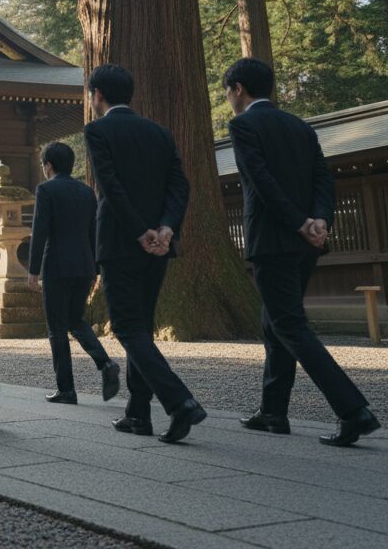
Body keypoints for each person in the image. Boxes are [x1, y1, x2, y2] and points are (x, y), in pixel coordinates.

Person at [223, 58, 379, 446]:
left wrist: (297, 221)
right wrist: (319, 221)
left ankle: (353, 411)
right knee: (274, 322)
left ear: (238, 88)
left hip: (273, 242)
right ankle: (273, 411)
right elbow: (323, 178)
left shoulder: (243, 126)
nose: (228, 98)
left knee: (289, 325)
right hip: (306, 244)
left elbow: (260, 181)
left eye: (227, 91)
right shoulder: (300, 126)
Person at [84, 63, 205, 444]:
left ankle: (179, 401)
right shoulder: (159, 132)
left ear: (98, 95)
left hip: (122, 242)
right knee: (142, 326)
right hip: (159, 243)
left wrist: (140, 232)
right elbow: (178, 185)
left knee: (126, 327)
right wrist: (166, 227)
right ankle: (137, 413)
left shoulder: (97, 130)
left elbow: (110, 186)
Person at [27, 142, 121, 404]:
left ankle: (66, 389)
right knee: (76, 320)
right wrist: (96, 268)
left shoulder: (45, 190)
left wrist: (33, 270)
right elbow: (95, 232)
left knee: (56, 327)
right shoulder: (86, 192)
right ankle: (104, 363)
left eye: (43, 165)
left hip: (56, 265)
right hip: (83, 265)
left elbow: (41, 232)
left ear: (49, 165)